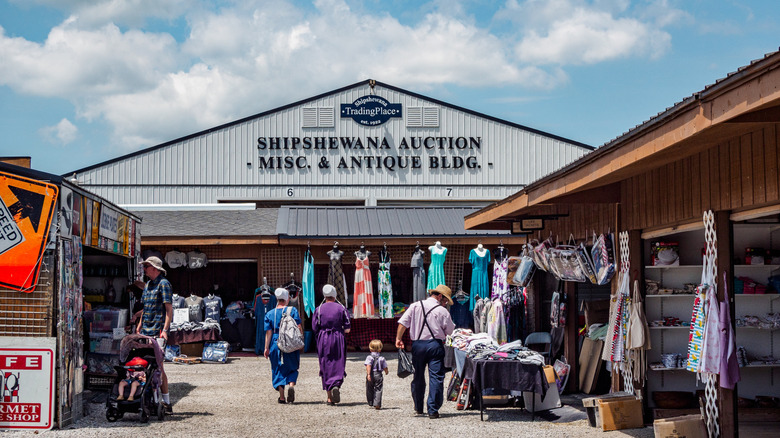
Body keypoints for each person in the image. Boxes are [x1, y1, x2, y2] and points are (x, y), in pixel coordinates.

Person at [395, 284, 455, 419]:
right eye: (445, 300)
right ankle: (433, 410)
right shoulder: (443, 311)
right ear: (439, 296)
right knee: (436, 377)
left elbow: (403, 323)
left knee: (418, 377)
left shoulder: (415, 306)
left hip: (417, 345)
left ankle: (418, 407)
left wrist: (398, 339)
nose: (445, 303)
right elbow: (450, 332)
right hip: (435, 346)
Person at [135, 256, 173, 412]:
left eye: (146, 266)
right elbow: (146, 308)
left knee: (159, 366)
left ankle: (166, 401)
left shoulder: (164, 284)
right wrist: (139, 326)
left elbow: (169, 309)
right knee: (146, 365)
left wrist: (165, 330)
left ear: (155, 268)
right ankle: (152, 400)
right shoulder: (149, 285)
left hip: (157, 330)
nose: (144, 269)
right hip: (145, 330)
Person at [313, 284, 351, 405]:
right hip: (338, 337)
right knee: (339, 362)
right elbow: (348, 328)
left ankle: (329, 397)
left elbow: (314, 327)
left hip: (323, 338)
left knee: (325, 363)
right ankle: (336, 385)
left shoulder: (318, 309)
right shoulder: (342, 309)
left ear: (324, 296)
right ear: (335, 295)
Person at [264, 287, 303, 404]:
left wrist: (266, 348)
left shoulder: (270, 314)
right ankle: (291, 385)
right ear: (287, 299)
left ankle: (282, 397)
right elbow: (299, 327)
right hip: (290, 341)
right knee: (292, 366)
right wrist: (300, 341)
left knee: (278, 368)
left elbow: (268, 332)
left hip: (276, 342)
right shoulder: (293, 310)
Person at [365, 339, 388, 410]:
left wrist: (368, 374)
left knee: (369, 388)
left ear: (370, 349)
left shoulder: (369, 357)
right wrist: (386, 371)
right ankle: (377, 404)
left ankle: (371, 401)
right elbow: (385, 367)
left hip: (371, 374)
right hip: (379, 374)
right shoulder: (382, 358)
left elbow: (368, 366)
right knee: (378, 388)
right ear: (380, 349)